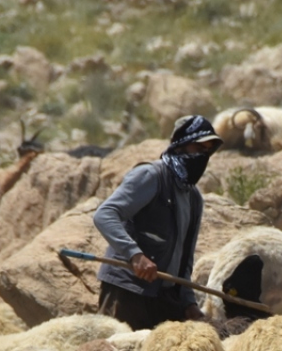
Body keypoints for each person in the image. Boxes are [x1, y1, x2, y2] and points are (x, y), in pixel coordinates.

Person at [92, 115, 223, 330]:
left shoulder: (193, 197)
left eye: (207, 151)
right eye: (197, 148)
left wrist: (188, 301)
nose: (202, 156)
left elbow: (185, 257)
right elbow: (105, 214)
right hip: (128, 292)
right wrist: (135, 255)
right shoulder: (151, 175)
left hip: (164, 297)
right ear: (180, 145)